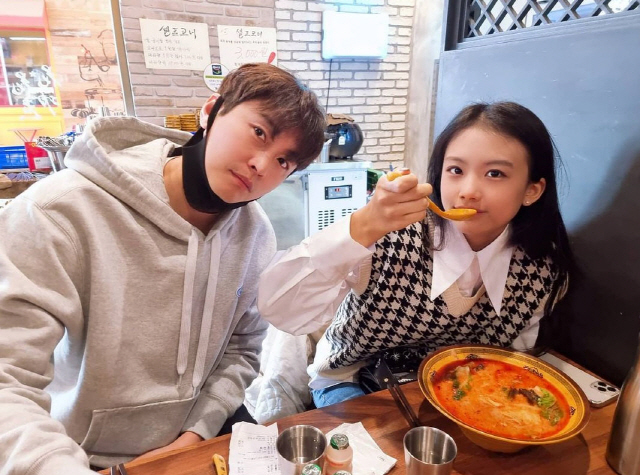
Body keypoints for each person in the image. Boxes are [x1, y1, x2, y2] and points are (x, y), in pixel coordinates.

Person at [0, 63, 325, 472]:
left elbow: (242, 350)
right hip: (79, 453)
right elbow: (8, 381)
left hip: (199, 436)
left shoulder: (256, 235)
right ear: (211, 110)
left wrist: (193, 437)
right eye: (259, 132)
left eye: (284, 161)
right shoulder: (56, 212)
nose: (262, 164)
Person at [258, 101, 574, 408]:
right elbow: (279, 308)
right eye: (456, 170)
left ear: (532, 190)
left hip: (458, 391)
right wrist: (365, 224)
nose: (468, 191)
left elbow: (512, 365)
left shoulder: (540, 270)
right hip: (354, 381)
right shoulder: (392, 236)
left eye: (495, 174)